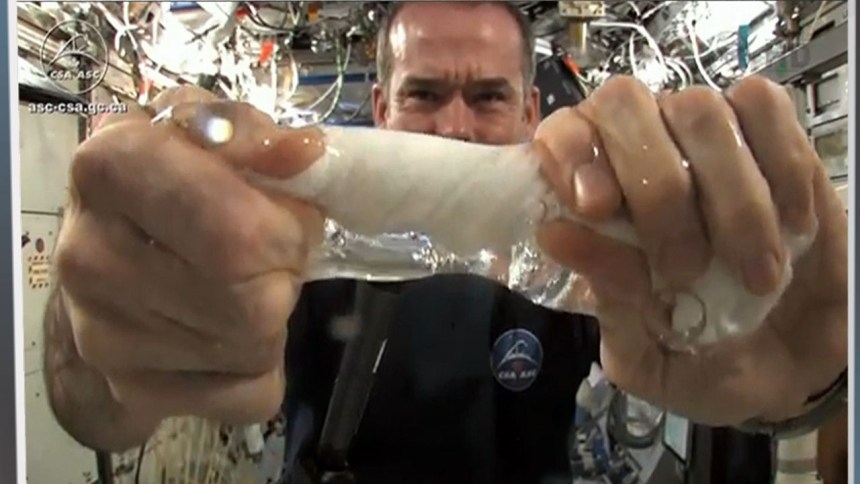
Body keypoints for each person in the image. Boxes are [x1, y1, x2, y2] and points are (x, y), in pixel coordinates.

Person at [43, 2, 847, 483]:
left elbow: (756, 393)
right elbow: (98, 418)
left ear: (531, 112)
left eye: (488, 98)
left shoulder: (594, 259)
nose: (455, 127)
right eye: (424, 94)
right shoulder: (282, 241)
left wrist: (809, 382)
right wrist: (100, 335)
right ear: (382, 110)